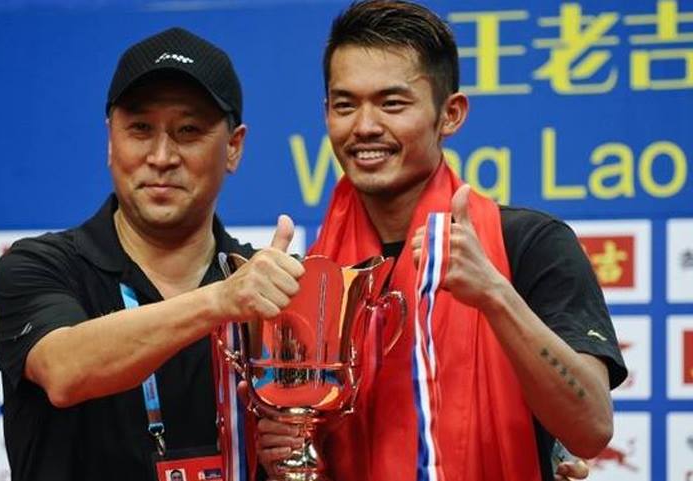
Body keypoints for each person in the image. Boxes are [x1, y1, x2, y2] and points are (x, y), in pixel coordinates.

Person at [255, 2, 627, 481]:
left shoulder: (527, 244)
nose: (364, 126)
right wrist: (287, 453)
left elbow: (591, 428)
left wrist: (494, 295)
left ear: (450, 114)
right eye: (344, 104)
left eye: (392, 103)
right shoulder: (315, 277)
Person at [0, 27, 304, 481]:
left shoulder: (272, 289)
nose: (161, 155)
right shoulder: (40, 265)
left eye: (188, 130)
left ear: (233, 147)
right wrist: (220, 300)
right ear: (110, 140)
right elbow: (64, 371)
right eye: (140, 128)